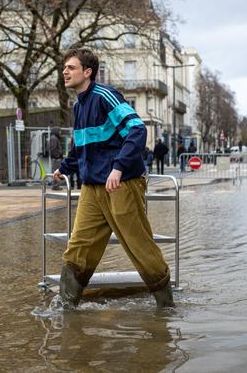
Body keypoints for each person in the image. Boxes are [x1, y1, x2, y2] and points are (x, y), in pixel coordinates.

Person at [53, 48, 174, 308]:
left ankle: (166, 306)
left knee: (138, 245)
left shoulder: (105, 96)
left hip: (122, 184)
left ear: (88, 72)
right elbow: (81, 146)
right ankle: (65, 308)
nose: (65, 71)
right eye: (64, 67)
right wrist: (64, 168)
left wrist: (118, 167)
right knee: (78, 246)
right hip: (92, 188)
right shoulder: (78, 105)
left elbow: (137, 129)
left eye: (71, 67)